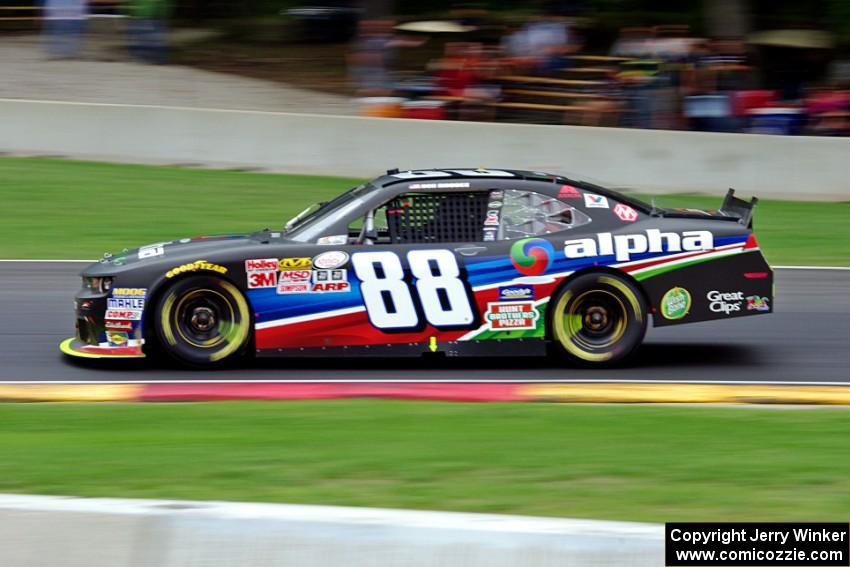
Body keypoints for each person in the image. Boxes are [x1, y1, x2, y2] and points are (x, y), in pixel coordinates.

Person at [126, 0, 172, 64]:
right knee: (147, 39)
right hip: (143, 17)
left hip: (151, 18)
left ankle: (156, 59)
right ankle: (149, 58)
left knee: (150, 39)